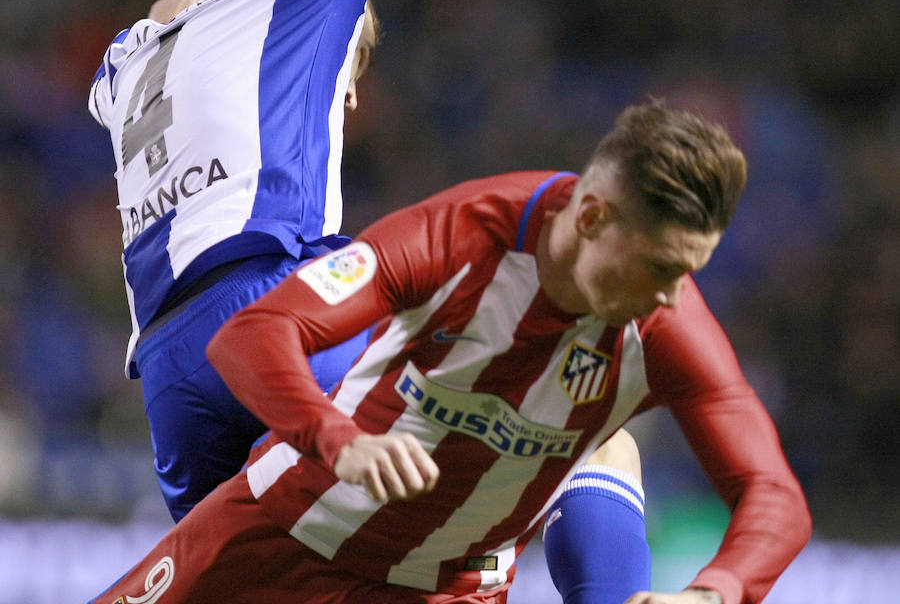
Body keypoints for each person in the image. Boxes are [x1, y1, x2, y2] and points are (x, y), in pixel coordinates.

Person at [87, 0, 615, 522]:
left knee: (257, 579)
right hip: (277, 310)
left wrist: (166, 14)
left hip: (169, 376)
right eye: (347, 71)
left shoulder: (128, 65)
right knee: (577, 429)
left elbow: (138, 47)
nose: (352, 93)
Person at [89, 101, 811, 604]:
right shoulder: (467, 234)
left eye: (689, 272)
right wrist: (336, 439)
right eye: (659, 267)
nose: (670, 295)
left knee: (606, 442)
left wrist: (717, 592)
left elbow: (774, 495)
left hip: (446, 589)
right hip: (282, 532)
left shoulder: (667, 327)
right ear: (590, 217)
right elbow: (252, 334)